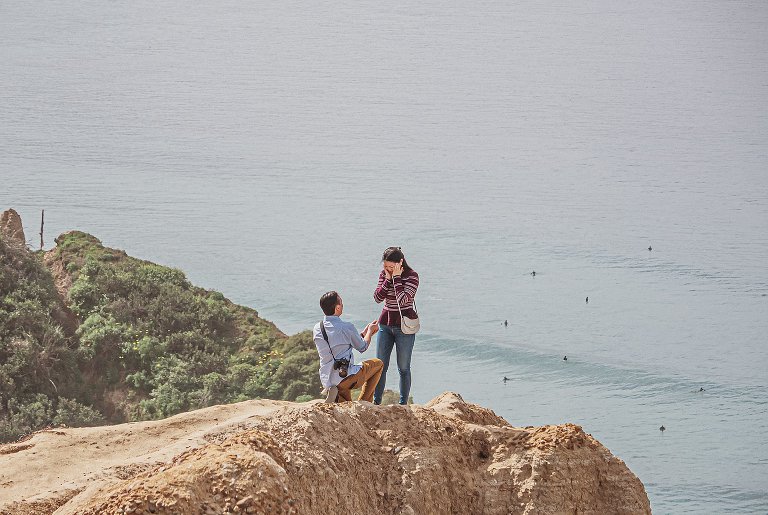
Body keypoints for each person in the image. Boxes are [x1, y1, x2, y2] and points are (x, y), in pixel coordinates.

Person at [313, 291, 383, 403]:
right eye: (341, 302)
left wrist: (362, 334)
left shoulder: (317, 328)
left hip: (328, 378)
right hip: (345, 376)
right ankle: (365, 402)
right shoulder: (347, 327)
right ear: (337, 308)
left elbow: (339, 343)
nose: (342, 304)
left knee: (345, 403)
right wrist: (370, 332)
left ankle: (337, 394)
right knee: (378, 364)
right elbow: (362, 347)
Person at [372, 247, 420, 405]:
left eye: (391, 267)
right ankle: (376, 402)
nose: (388, 270)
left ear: (400, 263)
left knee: (404, 367)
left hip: (404, 327)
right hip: (385, 324)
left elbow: (403, 301)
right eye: (386, 267)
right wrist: (387, 279)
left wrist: (397, 278)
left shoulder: (412, 276)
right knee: (380, 366)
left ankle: (403, 404)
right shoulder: (384, 275)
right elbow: (378, 297)